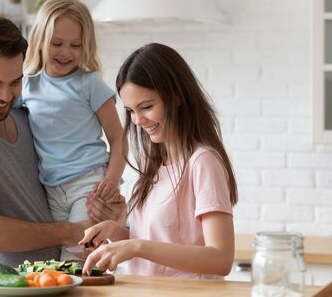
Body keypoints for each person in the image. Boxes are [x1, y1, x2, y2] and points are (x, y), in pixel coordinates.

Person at [0, 0, 127, 261]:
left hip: (56, 277)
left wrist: (110, 199)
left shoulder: (24, 113)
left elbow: (111, 138)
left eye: (15, 82)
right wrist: (71, 232)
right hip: (13, 284)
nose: (5, 95)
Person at [79, 43, 238, 279]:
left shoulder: (202, 161)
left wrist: (136, 246)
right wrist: (117, 232)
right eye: (131, 111)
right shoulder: (151, 163)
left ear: (177, 97)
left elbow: (221, 258)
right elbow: (160, 242)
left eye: (146, 107)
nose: (137, 120)